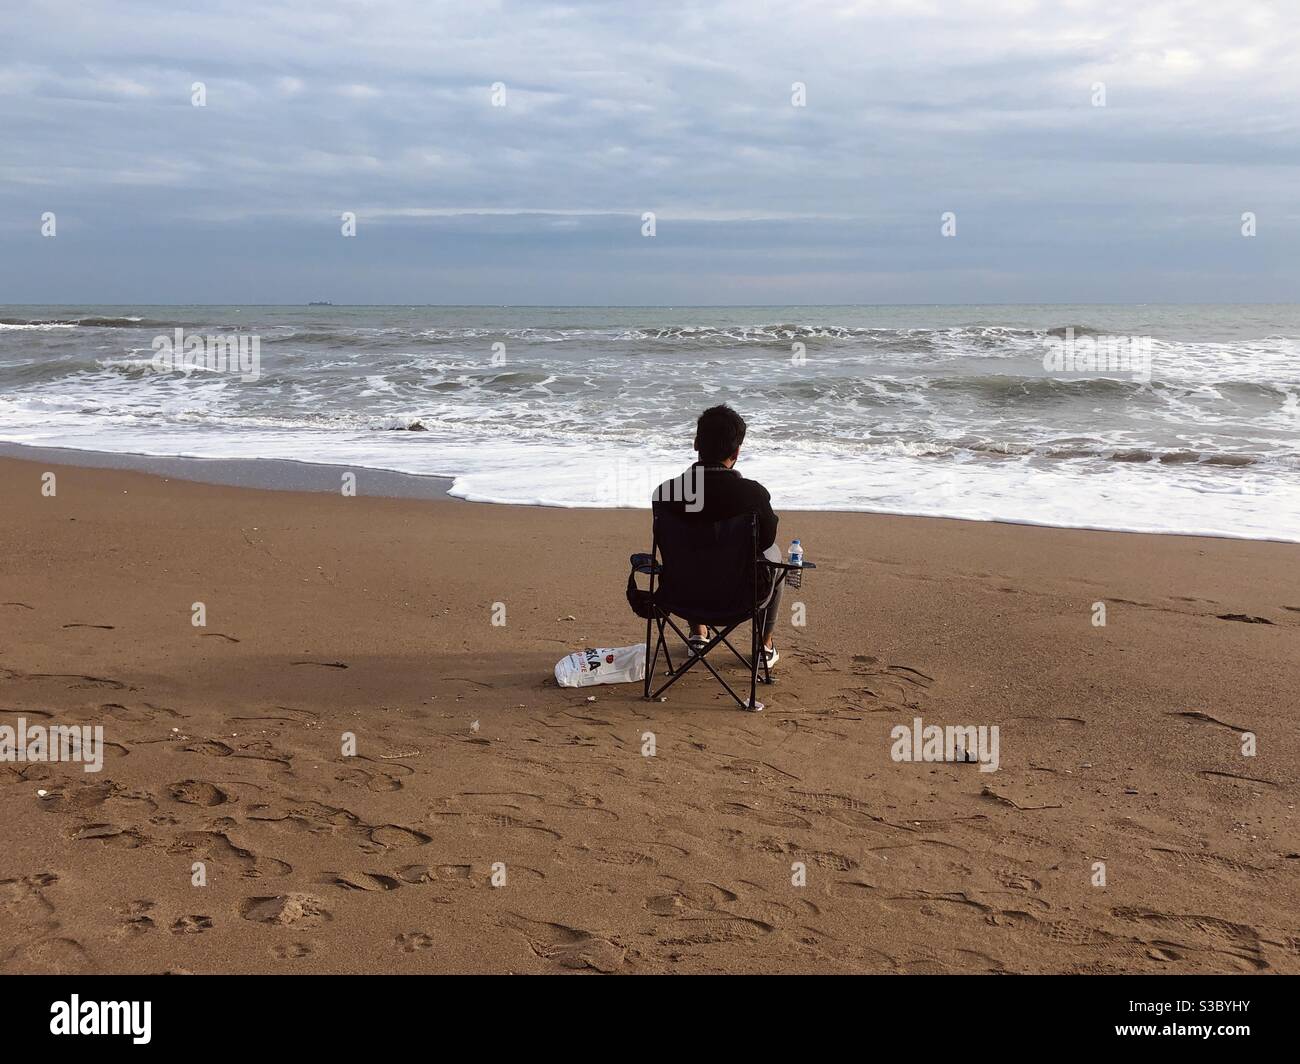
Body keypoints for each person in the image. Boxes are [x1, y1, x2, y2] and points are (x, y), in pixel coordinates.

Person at [651, 404, 782, 668]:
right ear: (737, 452)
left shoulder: (666, 493)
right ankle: (763, 646)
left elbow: (665, 545)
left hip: (681, 596)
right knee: (776, 555)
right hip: (740, 599)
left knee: (690, 551)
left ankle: (698, 632)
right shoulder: (753, 495)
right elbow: (766, 541)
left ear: (696, 443)